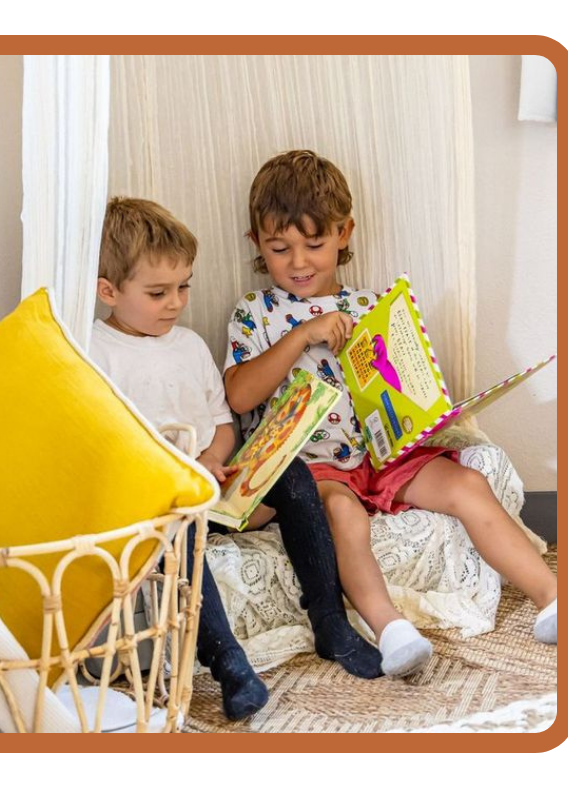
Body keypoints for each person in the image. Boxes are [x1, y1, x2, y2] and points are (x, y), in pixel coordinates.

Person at [224, 150, 557, 677]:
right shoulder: (256, 312)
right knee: (344, 515)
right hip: (312, 469)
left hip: (381, 456)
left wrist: (428, 410)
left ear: (344, 232)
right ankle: (391, 630)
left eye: (315, 244)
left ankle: (552, 597)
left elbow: (403, 390)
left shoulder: (371, 306)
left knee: (467, 485)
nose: (299, 262)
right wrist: (303, 335)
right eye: (280, 248)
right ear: (256, 243)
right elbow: (241, 396)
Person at [90, 197, 382, 720]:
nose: (175, 303)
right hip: (159, 500)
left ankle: (330, 622)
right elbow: (105, 445)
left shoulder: (188, 345)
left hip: (214, 484)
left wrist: (212, 457)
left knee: (292, 473)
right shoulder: (95, 351)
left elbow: (223, 424)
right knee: (175, 530)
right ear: (108, 291)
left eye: (183, 287)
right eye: (158, 293)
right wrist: (181, 473)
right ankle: (228, 663)